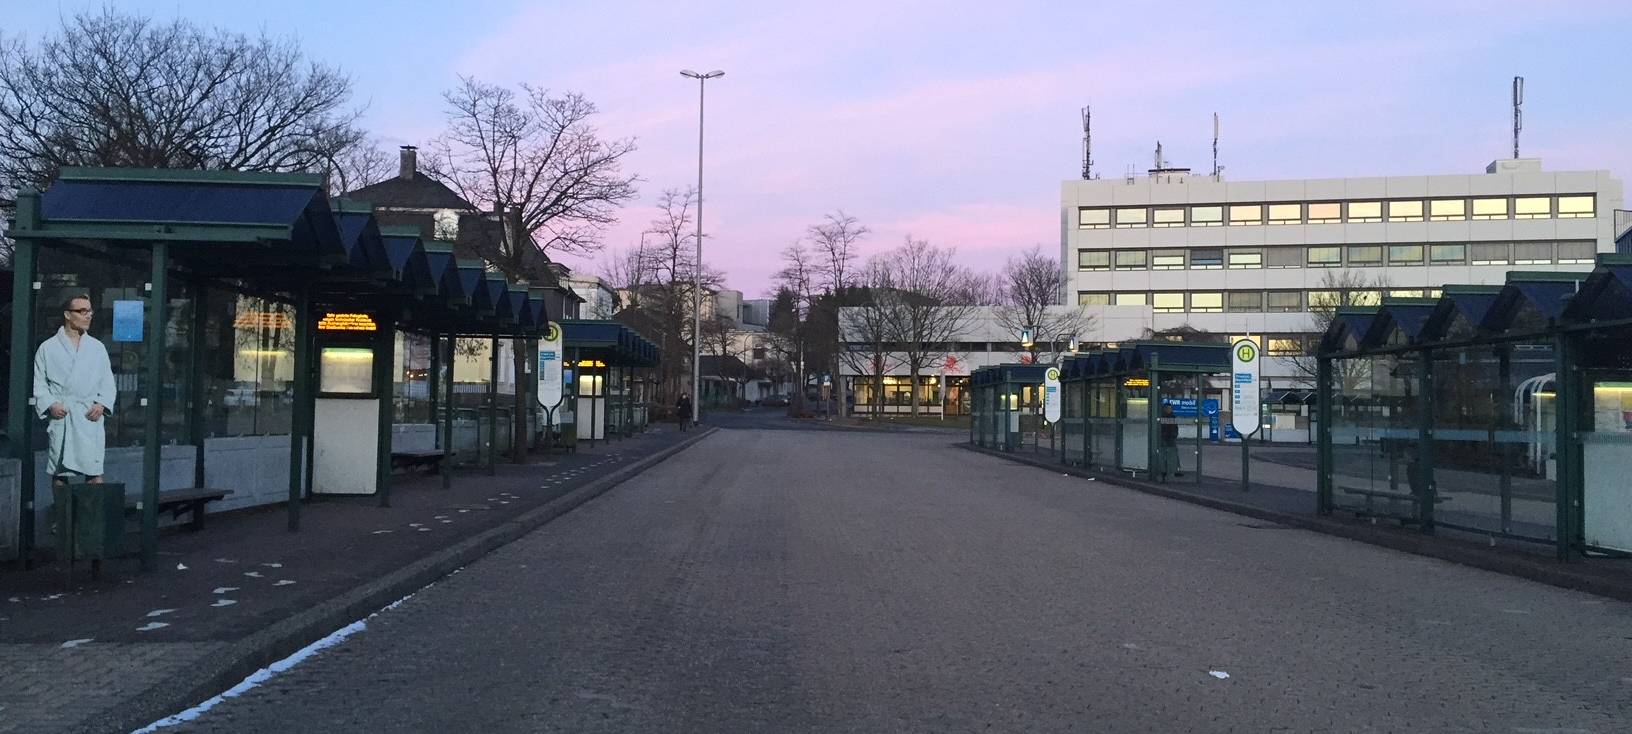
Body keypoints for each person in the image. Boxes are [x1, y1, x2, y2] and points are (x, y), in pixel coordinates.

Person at [33, 294, 117, 487]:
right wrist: (51, 404)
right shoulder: (47, 348)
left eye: (90, 311)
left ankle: (93, 518)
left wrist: (102, 404)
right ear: (68, 315)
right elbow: (39, 383)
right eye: (82, 311)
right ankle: (62, 516)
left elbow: (107, 381)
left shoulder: (97, 348)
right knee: (60, 473)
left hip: (89, 416)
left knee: (94, 473)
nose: (88, 315)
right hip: (63, 417)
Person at [1159, 404, 1181, 480]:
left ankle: (1176, 470)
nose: (1169, 410)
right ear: (1164, 409)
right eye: (1168, 408)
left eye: (1170, 408)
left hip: (1171, 438)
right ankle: (1164, 470)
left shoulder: (1172, 417)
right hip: (1164, 438)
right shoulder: (1163, 417)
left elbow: (1175, 428)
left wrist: (1175, 435)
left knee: (1174, 453)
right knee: (1164, 454)